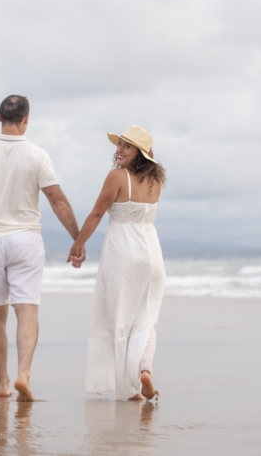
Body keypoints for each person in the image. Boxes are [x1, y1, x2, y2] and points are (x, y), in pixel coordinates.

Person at [0, 95, 84, 402]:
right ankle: (24, 374)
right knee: (27, 312)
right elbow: (57, 200)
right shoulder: (37, 155)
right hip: (25, 240)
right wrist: (77, 239)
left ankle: (3, 384)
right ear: (26, 119)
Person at [68, 125, 166, 401]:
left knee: (118, 319)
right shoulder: (155, 181)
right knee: (145, 320)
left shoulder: (117, 176)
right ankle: (143, 370)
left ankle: (130, 387)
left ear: (141, 153)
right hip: (152, 256)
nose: (119, 150)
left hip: (123, 253)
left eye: (127, 146)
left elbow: (98, 213)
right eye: (120, 144)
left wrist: (78, 245)